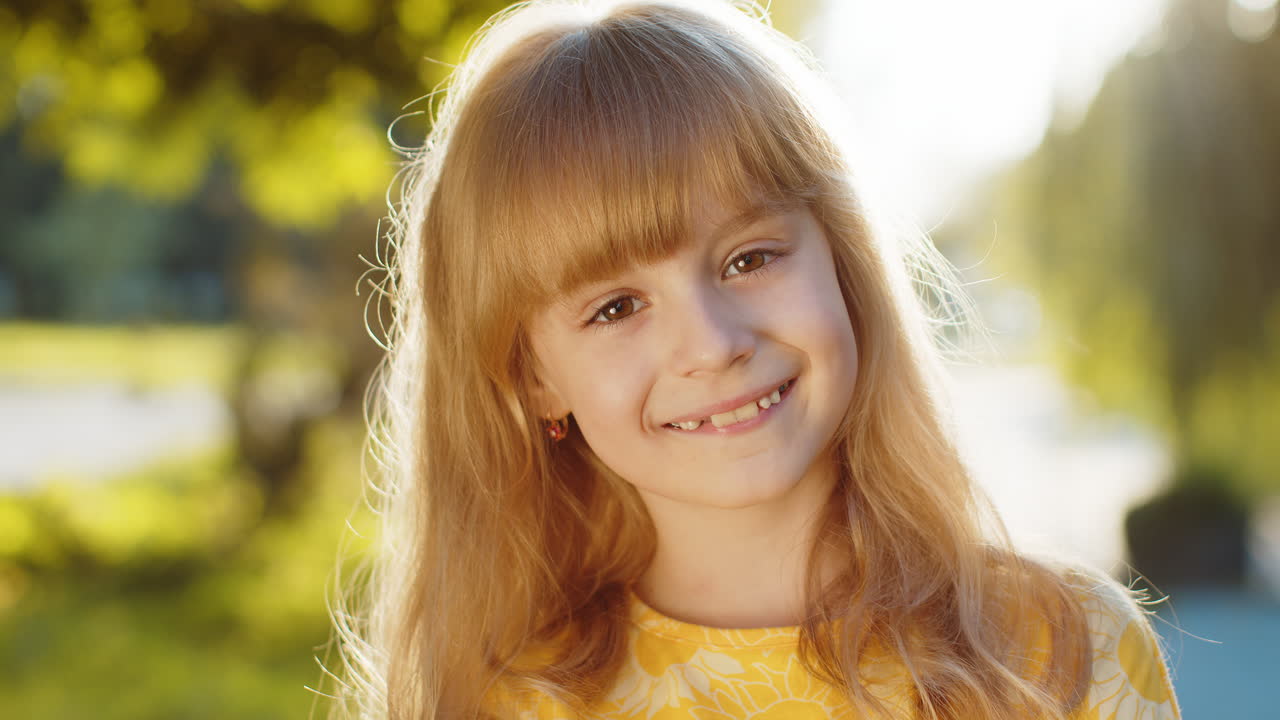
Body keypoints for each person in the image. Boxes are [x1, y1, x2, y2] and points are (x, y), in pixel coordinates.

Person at [327, 1, 1181, 718]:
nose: (713, 343)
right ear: (534, 377)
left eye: (750, 258)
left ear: (841, 261)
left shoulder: (1060, 650)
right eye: (616, 307)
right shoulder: (505, 700)